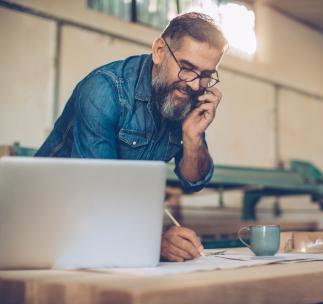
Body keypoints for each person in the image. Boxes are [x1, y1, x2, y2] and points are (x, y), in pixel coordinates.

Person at [35, 12, 228, 262]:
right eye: (187, 68)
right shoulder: (104, 90)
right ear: (159, 50)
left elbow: (194, 181)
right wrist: (153, 240)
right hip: (50, 221)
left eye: (205, 75)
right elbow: (96, 193)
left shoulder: (187, 97)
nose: (193, 84)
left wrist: (193, 138)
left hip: (106, 228)